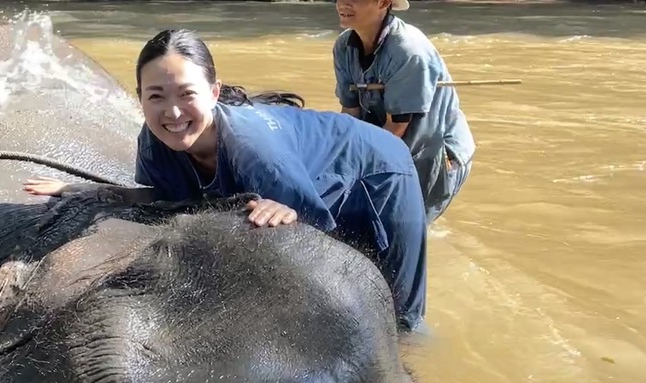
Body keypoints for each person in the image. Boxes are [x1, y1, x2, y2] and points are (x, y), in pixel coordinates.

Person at [24, 28, 428, 331]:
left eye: (186, 94)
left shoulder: (253, 150)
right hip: (311, 169)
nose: (173, 112)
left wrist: (287, 208)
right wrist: (100, 194)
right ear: (140, 96)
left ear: (214, 92)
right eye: (156, 96)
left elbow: (310, 232)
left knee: (399, 316)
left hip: (378, 170)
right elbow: (163, 199)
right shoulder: (153, 138)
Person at [332, 0, 475, 224]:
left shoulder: (409, 50)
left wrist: (355, 169)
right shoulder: (344, 47)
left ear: (384, 3)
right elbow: (350, 112)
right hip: (388, 137)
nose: (344, 3)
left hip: (434, 152)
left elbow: (396, 127)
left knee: (407, 229)